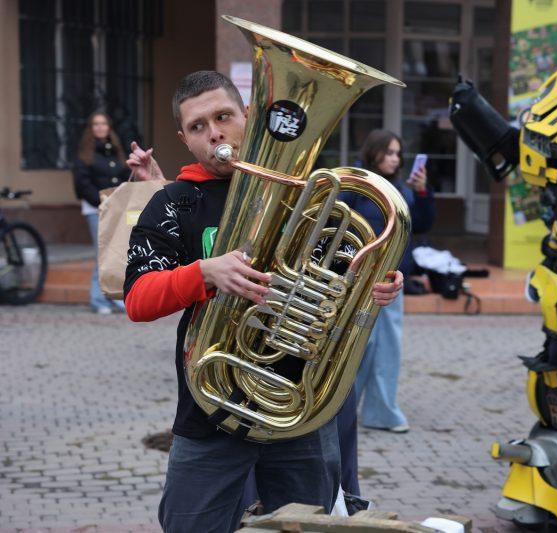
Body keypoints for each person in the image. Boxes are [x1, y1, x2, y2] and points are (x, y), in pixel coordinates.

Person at [123, 71, 404, 533]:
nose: (214, 133)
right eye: (198, 127)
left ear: (248, 118)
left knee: (308, 527)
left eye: (223, 117)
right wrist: (204, 272)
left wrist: (374, 286)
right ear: (185, 139)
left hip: (301, 409)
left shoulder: (306, 195)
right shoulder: (174, 203)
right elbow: (137, 299)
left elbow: (348, 274)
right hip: (210, 409)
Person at [335, 129, 435, 497]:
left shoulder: (403, 188)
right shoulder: (360, 183)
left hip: (392, 281)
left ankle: (380, 411)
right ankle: (342, 407)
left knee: (387, 349)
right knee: (358, 347)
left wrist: (423, 191)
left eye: (398, 153)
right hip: (359, 281)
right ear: (374, 152)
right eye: (389, 152)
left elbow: (422, 224)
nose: (395, 158)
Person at [72, 111, 131, 314]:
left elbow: (124, 176)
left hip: (116, 209)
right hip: (96, 209)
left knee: (117, 253)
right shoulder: (85, 153)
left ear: (108, 127)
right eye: (95, 124)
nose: (100, 127)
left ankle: (115, 297)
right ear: (91, 128)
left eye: (103, 124)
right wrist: (103, 201)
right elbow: (81, 184)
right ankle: (98, 300)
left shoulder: (115, 151)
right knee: (103, 255)